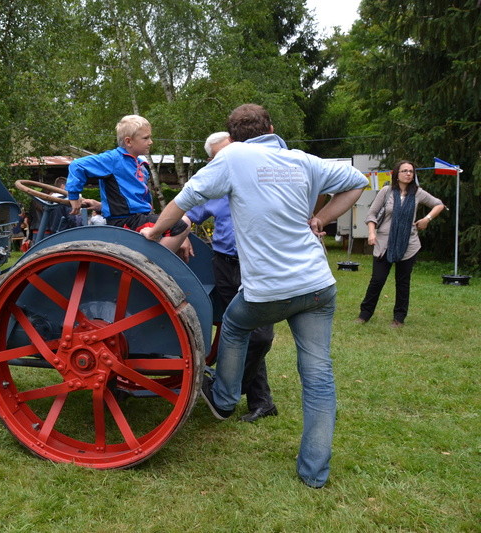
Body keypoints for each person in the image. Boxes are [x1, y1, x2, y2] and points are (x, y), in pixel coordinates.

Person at [141, 104, 368, 488]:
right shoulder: (300, 159)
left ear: (233, 136)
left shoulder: (232, 158)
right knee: (318, 375)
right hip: (316, 285)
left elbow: (185, 199)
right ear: (272, 129)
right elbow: (357, 180)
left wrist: (152, 235)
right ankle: (314, 473)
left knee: (233, 324)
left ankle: (226, 398)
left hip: (269, 289)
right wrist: (322, 219)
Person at [184, 131, 277, 423]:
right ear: (212, 160)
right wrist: (181, 232)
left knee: (261, 336)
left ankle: (224, 388)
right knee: (238, 331)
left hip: (259, 264)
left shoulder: (261, 176)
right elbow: (187, 212)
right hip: (225, 264)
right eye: (221, 155)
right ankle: (262, 401)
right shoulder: (212, 182)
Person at [65, 114, 191, 258]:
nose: (150, 142)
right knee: (182, 225)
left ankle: (153, 263)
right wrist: (73, 196)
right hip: (126, 221)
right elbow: (77, 165)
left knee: (181, 224)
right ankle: (154, 265)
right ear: (128, 141)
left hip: (139, 217)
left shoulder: (139, 165)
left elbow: (127, 200)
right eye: (145, 138)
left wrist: (100, 206)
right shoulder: (113, 159)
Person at [356, 161, 444, 327]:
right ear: (396, 173)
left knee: (403, 282)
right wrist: (371, 233)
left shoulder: (417, 193)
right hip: (384, 243)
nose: (408, 174)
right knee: (377, 280)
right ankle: (364, 315)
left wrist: (427, 219)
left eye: (411, 171)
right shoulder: (387, 191)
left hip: (409, 244)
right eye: (404, 171)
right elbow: (372, 214)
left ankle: (399, 319)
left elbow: (439, 204)